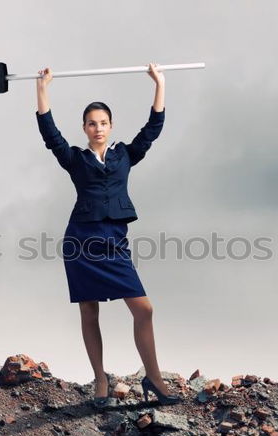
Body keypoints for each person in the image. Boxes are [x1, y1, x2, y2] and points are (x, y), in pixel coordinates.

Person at [35, 62, 181, 409]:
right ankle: (100, 379)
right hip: (81, 241)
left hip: (115, 241)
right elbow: (49, 132)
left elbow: (153, 128)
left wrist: (159, 83)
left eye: (103, 123)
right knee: (89, 310)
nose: (97, 128)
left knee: (143, 309)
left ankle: (154, 378)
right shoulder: (74, 158)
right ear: (84, 128)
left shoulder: (125, 155)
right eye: (91, 123)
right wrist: (43, 88)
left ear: (111, 126)